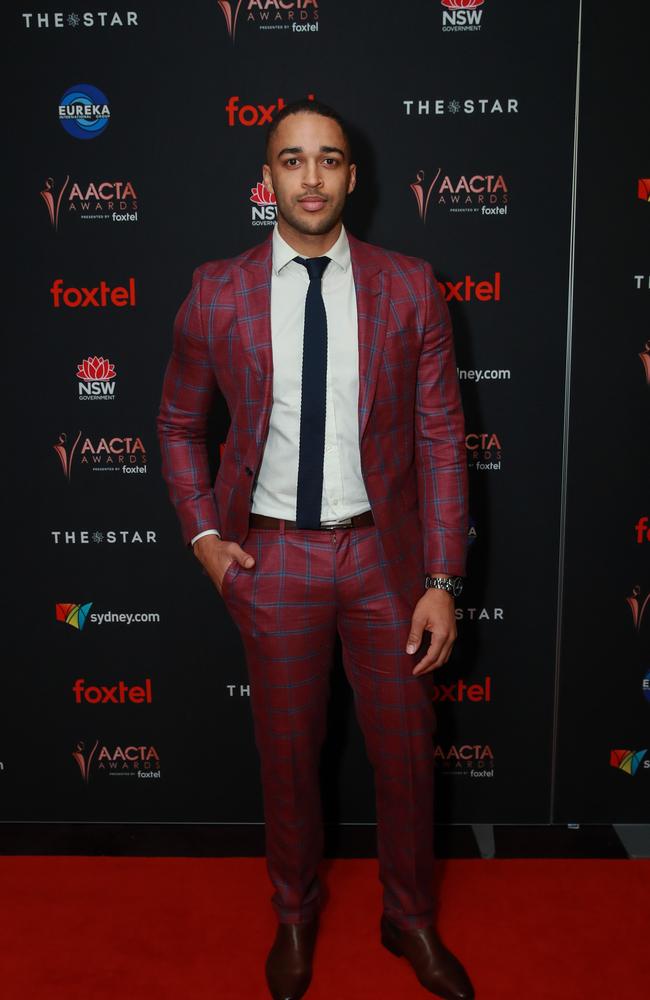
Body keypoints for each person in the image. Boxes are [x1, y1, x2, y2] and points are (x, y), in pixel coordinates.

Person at [158, 98, 473, 1000]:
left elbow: (443, 438)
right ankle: (294, 916)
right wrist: (207, 539)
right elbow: (179, 424)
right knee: (288, 756)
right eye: (291, 160)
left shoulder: (410, 285)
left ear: (351, 177)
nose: (310, 176)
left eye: (327, 160)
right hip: (273, 560)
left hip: (386, 561)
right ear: (267, 182)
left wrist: (443, 577)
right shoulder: (216, 289)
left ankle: (408, 918)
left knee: (409, 754)